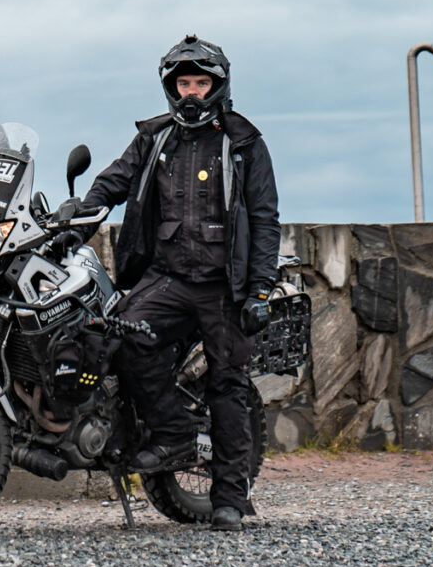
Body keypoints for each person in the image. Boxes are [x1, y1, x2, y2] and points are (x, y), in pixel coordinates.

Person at [73, 34, 280, 532]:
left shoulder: (244, 142)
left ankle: (230, 500)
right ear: (171, 86)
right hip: (166, 279)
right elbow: (111, 184)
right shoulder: (154, 138)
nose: (191, 91)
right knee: (119, 338)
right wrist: (74, 217)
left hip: (222, 287)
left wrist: (259, 291)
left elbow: (267, 219)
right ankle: (171, 432)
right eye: (183, 82)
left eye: (200, 82)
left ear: (217, 86)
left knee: (227, 385)